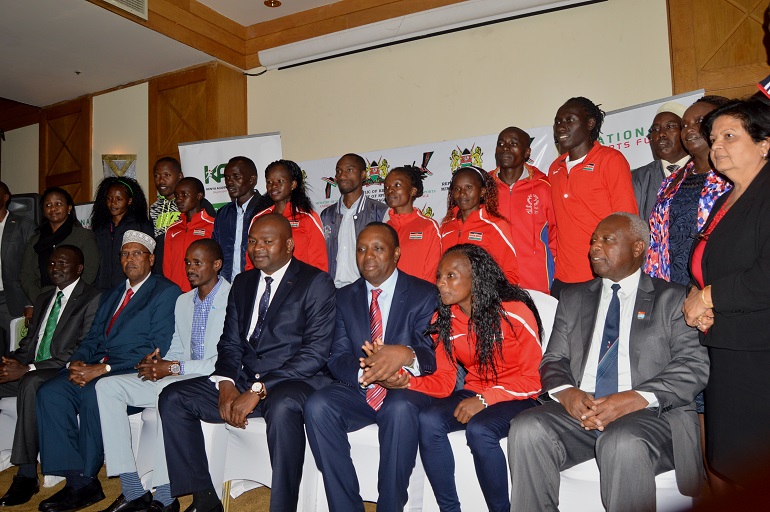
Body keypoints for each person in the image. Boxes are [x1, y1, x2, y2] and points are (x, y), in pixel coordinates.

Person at [508, 213, 709, 512]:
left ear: (638, 248)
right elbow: (553, 359)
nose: (594, 248)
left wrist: (631, 399)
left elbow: (693, 366)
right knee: (526, 428)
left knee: (621, 439)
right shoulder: (573, 298)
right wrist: (567, 393)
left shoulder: (672, 298)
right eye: (593, 241)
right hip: (583, 412)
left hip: (652, 415)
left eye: (607, 240)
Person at [159, 214, 336, 512]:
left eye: (268, 242)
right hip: (242, 379)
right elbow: (229, 343)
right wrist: (226, 383)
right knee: (173, 397)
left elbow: (315, 353)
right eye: (253, 241)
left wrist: (258, 389)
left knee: (282, 409)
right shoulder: (242, 283)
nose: (258, 248)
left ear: (289, 245)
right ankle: (204, 499)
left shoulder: (315, 282)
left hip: (292, 382)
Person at [35, 230, 180, 512]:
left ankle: (88, 477)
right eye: (125, 254)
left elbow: (157, 347)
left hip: (133, 372)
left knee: (93, 393)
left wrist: (104, 369)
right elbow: (93, 338)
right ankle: (78, 482)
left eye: (137, 253)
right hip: (100, 366)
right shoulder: (113, 293)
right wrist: (76, 362)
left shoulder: (166, 291)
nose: (130, 259)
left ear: (151, 259)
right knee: (50, 392)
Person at [304, 222, 438, 512]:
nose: (368, 257)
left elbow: (431, 356)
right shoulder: (343, 297)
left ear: (396, 253)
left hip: (405, 388)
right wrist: (370, 371)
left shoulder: (424, 294)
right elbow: (337, 356)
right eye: (361, 249)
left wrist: (401, 360)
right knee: (318, 405)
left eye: (378, 248)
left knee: (399, 410)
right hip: (361, 386)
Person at [96, 239, 228, 512]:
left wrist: (175, 368)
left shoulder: (234, 297)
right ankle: (132, 488)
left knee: (169, 397)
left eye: (198, 263)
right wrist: (160, 363)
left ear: (216, 265)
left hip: (213, 381)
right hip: (181, 375)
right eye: (187, 263)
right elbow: (179, 346)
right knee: (107, 387)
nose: (190, 269)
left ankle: (166, 496)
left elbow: (223, 361)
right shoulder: (183, 300)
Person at [408, 244, 543, 512]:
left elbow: (535, 380)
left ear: (476, 278)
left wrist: (485, 398)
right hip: (476, 392)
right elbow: (446, 380)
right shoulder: (446, 319)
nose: (441, 284)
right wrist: (407, 382)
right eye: (439, 277)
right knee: (428, 419)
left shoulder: (514, 311)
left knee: (480, 429)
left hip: (522, 395)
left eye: (451, 276)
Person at [682, 98, 770, 489]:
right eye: (714, 138)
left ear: (764, 143)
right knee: (736, 465)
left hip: (760, 353)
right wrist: (697, 298)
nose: (717, 146)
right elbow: (711, 265)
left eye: (730, 136)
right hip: (728, 346)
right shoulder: (727, 197)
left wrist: (710, 297)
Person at [0, 246, 100, 506]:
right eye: (52, 263)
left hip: (63, 371)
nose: (56, 268)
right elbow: (30, 344)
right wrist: (11, 363)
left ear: (79, 268)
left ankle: (26, 474)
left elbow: (81, 349)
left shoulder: (93, 298)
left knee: (31, 383)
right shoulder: (44, 298)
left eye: (63, 264)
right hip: (33, 368)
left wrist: (28, 369)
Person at [549, 97, 638, 298]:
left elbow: (627, 220)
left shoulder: (610, 160)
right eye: (558, 121)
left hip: (602, 275)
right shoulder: (555, 168)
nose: (561, 127)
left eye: (569, 120)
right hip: (563, 278)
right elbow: (554, 224)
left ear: (590, 124)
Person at [644, 96, 733, 286]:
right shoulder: (671, 181)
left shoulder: (733, 178)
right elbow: (657, 242)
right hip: (670, 289)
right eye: (684, 125)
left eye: (699, 121)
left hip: (715, 287)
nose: (690, 128)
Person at [489, 126, 557, 292]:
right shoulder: (484, 187)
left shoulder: (543, 187)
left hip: (537, 283)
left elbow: (557, 234)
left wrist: (551, 271)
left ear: (527, 152)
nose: (505, 148)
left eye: (513, 143)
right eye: (501, 143)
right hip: (495, 283)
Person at [20, 187, 98, 323]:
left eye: (58, 204)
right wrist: (40, 300)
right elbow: (26, 275)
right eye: (48, 205)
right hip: (42, 301)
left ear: (69, 208)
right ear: (43, 211)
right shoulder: (35, 240)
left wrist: (64, 298)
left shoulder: (84, 236)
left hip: (74, 303)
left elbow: (90, 271)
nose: (53, 208)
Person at [440, 166, 519, 284]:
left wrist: (489, 298)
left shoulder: (496, 226)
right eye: (457, 189)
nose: (462, 194)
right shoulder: (445, 227)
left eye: (468, 188)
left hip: (486, 299)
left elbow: (511, 275)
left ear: (482, 192)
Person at [320, 153, 388, 288]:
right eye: (338, 171)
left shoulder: (380, 212)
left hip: (365, 290)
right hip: (332, 292)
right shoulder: (326, 215)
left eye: (349, 170)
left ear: (363, 174)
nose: (342, 175)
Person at [250, 159, 328, 271]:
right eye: (269, 182)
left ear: (293, 184)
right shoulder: (258, 219)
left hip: (301, 284)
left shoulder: (307, 218)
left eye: (280, 181)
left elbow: (319, 262)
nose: (274, 186)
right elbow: (250, 262)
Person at [212, 156, 271, 282]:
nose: (229, 182)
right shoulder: (223, 213)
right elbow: (215, 250)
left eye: (236, 177)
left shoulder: (267, 210)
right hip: (226, 286)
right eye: (227, 178)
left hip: (257, 283)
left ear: (252, 180)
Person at [91, 177, 154, 292]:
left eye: (119, 199)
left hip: (129, 288)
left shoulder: (141, 226)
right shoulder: (100, 227)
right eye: (109, 198)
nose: (113, 203)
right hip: (101, 290)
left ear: (129, 201)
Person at [632, 102, 690, 221]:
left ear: (685, 132)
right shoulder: (639, 177)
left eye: (670, 127)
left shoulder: (702, 170)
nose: (661, 134)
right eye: (655, 129)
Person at [383, 165, 441, 282]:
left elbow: (433, 271)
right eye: (386, 187)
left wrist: (422, 297)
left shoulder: (428, 226)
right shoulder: (384, 229)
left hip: (419, 297)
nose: (390, 190)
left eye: (397, 185)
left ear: (412, 191)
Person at [0, 181, 37, 354]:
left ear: (6, 197)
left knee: (15, 350)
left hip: (13, 299)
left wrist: (31, 302)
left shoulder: (24, 225)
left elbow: (33, 264)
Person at [162, 178, 215, 292]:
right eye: (177, 195)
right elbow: (167, 268)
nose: (179, 199)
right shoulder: (172, 229)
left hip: (202, 292)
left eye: (184, 194)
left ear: (199, 196)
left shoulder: (213, 226)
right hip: (175, 293)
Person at [149, 157, 215, 239]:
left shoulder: (195, 202)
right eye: (156, 176)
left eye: (167, 175)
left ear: (180, 176)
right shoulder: (154, 208)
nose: (161, 180)